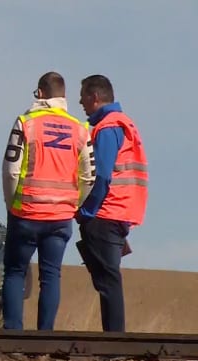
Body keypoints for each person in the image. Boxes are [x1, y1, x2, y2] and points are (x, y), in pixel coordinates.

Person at [1, 71, 94, 330]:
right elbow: (89, 176)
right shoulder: (79, 129)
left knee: (15, 272)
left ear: (40, 94)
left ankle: (12, 334)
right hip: (60, 216)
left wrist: (12, 204)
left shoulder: (25, 123)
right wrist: (74, 205)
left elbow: (11, 169)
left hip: (26, 213)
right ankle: (45, 337)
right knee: (51, 275)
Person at [75, 74, 148, 332]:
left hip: (106, 213)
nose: (80, 101)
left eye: (83, 95)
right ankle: (115, 340)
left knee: (108, 281)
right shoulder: (124, 123)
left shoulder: (107, 127)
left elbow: (103, 175)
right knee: (108, 280)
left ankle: (115, 340)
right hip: (120, 211)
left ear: (95, 97)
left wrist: (86, 211)